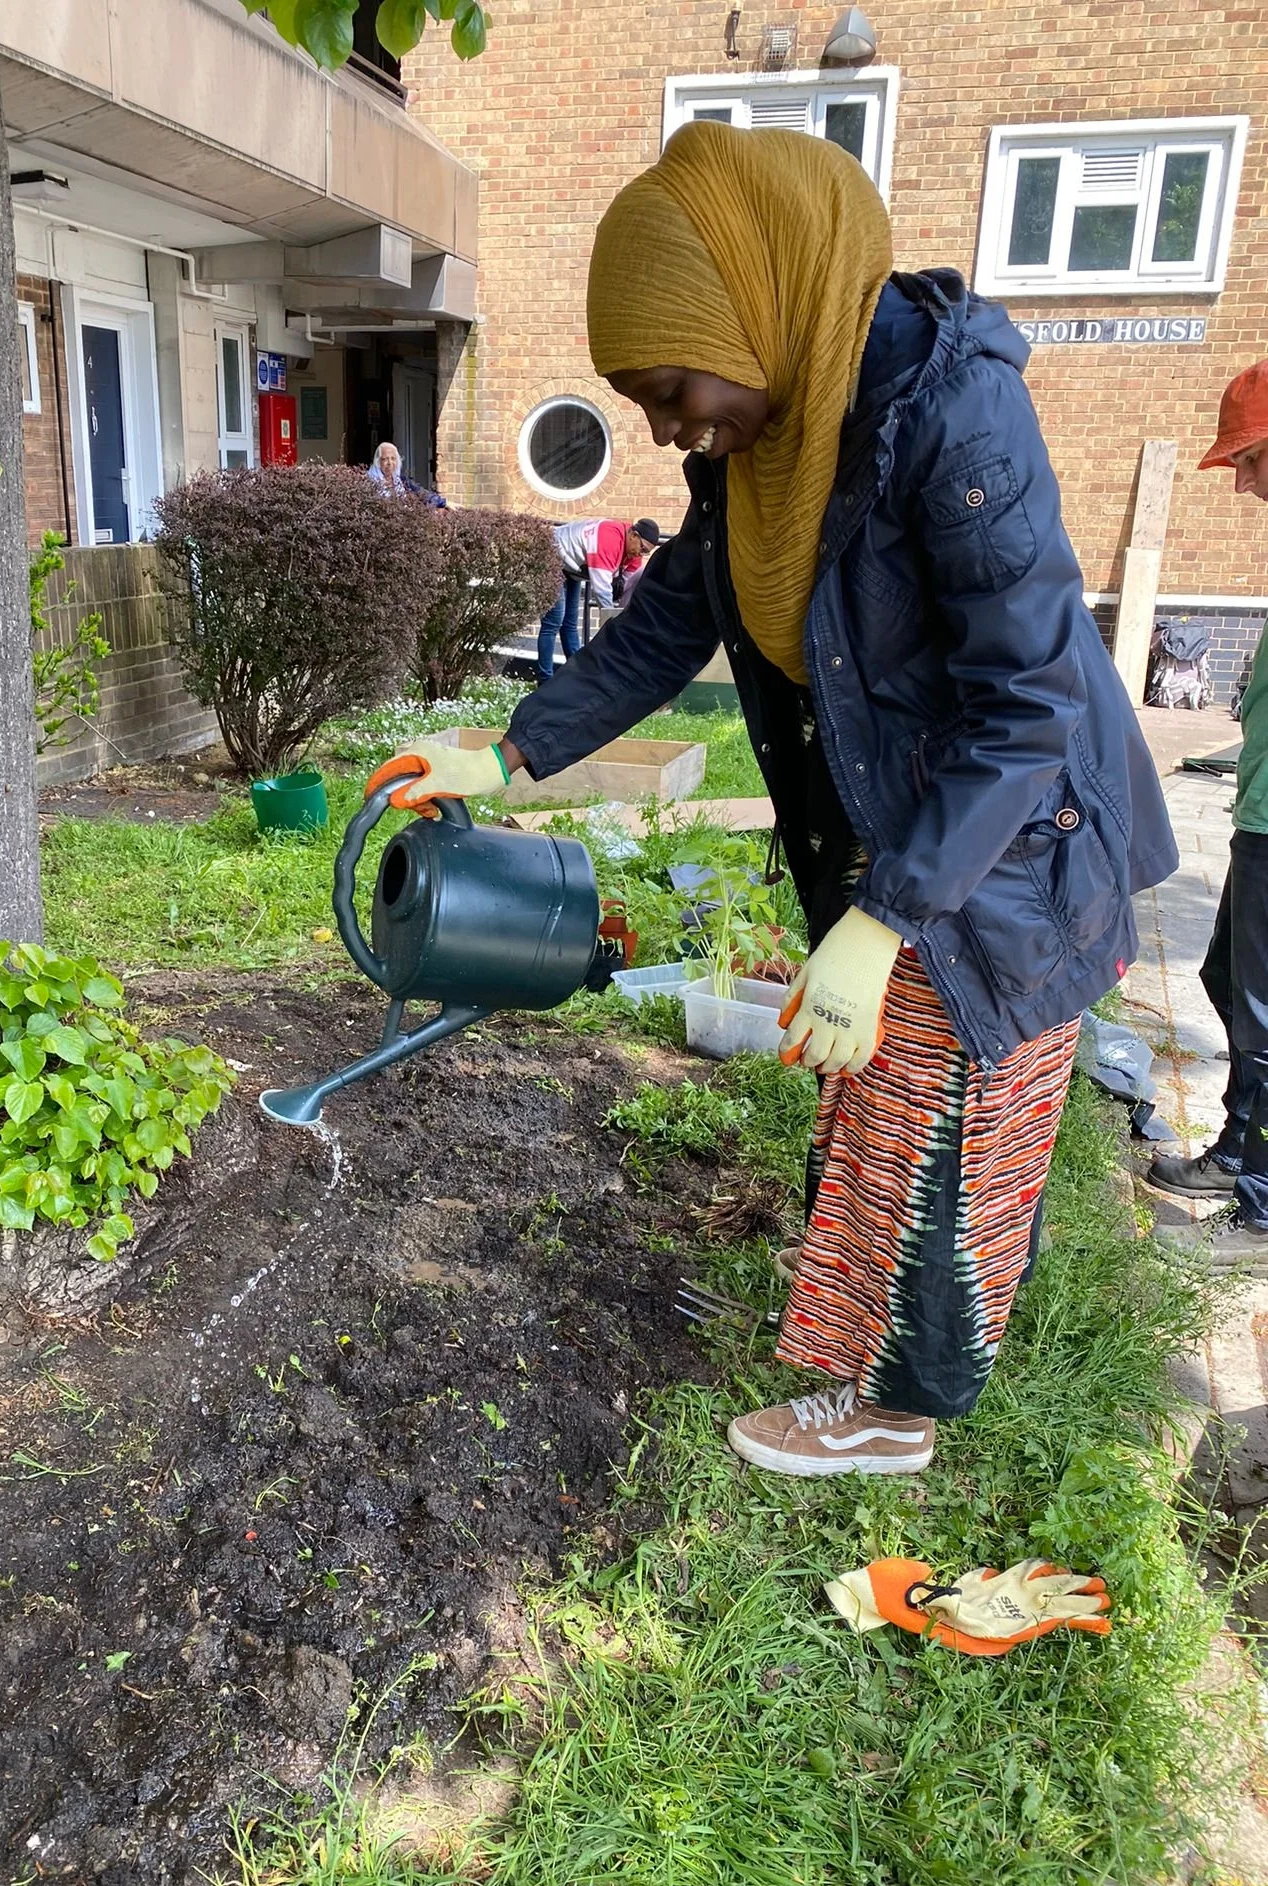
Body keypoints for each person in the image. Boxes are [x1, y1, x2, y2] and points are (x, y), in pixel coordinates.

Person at [366, 123, 1175, 1479]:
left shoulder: (950, 413)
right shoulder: (763, 447)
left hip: (1012, 840)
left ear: (759, 306)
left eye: (675, 389)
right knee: (891, 1100)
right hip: (917, 822)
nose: (670, 428)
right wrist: (506, 756)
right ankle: (892, 1342)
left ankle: (895, 1413)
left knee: (934, 1114)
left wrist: (886, 916)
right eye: (646, 404)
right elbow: (664, 624)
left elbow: (1030, 704)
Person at [1147, 360, 1268, 1262]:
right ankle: (1239, 1150)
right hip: (1257, 815)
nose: (1245, 482)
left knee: (1264, 1009)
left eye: (1255, 457)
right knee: (1228, 986)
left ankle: (1260, 1201)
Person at [536, 516, 661, 681]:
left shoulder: (634, 554)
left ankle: (576, 677)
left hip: (572, 568)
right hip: (552, 556)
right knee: (554, 621)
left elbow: (627, 589)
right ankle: (545, 680)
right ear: (633, 535)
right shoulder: (609, 539)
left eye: (646, 552)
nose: (641, 553)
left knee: (570, 624)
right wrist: (612, 623)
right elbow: (602, 590)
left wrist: (624, 619)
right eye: (643, 548)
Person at [366, 442, 447, 508]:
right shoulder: (369, 481)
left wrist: (444, 503)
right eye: (385, 459)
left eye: (393, 458)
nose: (390, 463)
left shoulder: (401, 480)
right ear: (378, 462)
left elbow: (421, 493)